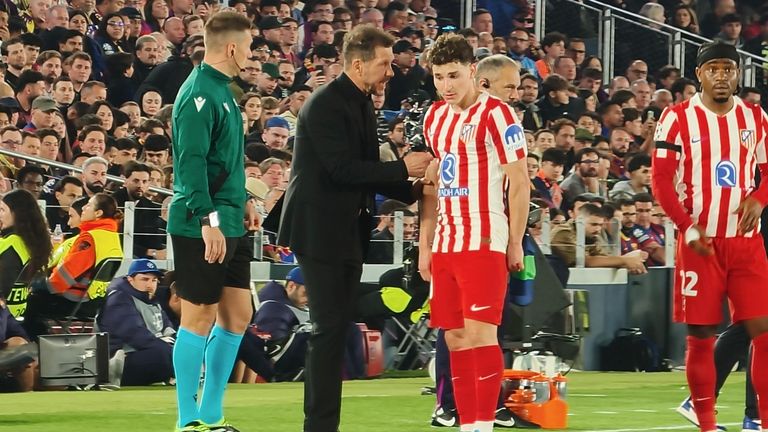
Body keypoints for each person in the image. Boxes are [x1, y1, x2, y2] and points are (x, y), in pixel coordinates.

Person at [278, 24, 432, 432]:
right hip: (320, 231)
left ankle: (325, 423)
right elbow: (342, 170)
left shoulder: (362, 102)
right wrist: (404, 168)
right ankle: (320, 426)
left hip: (344, 230)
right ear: (359, 63)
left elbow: (364, 173)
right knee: (328, 330)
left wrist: (413, 188)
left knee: (337, 323)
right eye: (384, 63)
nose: (392, 71)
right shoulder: (326, 104)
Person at [652, 41, 768, 432]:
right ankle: (706, 423)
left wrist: (759, 198)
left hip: (746, 243)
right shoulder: (676, 118)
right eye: (713, 68)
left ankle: (763, 420)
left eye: (728, 68)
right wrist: (687, 226)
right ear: (699, 74)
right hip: (701, 245)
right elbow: (662, 180)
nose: (721, 75)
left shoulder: (756, 117)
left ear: (738, 74)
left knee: (764, 332)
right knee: (701, 337)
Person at [418, 34, 529, 432]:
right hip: (447, 242)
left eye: (453, 75)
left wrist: (515, 240)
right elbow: (432, 184)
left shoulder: (497, 114)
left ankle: (483, 423)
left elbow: (520, 181)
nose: (445, 85)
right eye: (437, 77)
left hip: (484, 237)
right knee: (455, 340)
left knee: (482, 336)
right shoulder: (434, 118)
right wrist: (423, 245)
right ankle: (468, 423)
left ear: (471, 72)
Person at [167, 12, 257, 432]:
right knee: (198, 316)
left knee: (237, 315)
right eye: (251, 47)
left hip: (231, 219)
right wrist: (209, 219)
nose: (253, 55)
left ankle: (212, 413)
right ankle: (188, 420)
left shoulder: (224, 91)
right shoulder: (198, 94)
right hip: (199, 223)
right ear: (233, 47)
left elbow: (227, 162)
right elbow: (191, 163)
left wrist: (244, 202)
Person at [25, 193, 123, 339]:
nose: (83, 207)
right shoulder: (112, 236)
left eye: (89, 204)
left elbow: (62, 278)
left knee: (29, 302)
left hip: (71, 300)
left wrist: (37, 285)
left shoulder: (89, 237)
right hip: (93, 302)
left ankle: (33, 352)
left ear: (98, 213)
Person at [97, 258, 175, 386]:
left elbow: (166, 326)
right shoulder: (119, 298)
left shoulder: (150, 298)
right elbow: (135, 334)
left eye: (154, 280)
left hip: (147, 349)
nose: (150, 284)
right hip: (123, 355)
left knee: (181, 350)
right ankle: (114, 374)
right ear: (130, 279)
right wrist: (168, 349)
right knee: (163, 356)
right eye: (144, 279)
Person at [0, 189, 53, 319]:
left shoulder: (12, 243)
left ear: (17, 214)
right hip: (18, 310)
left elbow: (2, 286)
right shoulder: (30, 242)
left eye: (2, 210)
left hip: (5, 313)